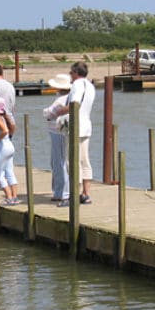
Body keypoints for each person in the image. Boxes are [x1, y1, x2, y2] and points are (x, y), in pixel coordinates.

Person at [55, 61, 96, 206]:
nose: (70, 75)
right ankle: (86, 194)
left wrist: (60, 111)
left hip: (76, 126)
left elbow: (74, 105)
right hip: (86, 126)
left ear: (76, 73)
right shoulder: (90, 86)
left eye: (71, 72)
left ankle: (73, 195)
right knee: (84, 160)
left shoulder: (77, 85)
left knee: (72, 161)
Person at [43, 74, 71, 202]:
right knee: (60, 160)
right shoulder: (68, 97)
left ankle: (62, 192)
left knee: (58, 161)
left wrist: (46, 111)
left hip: (58, 132)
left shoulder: (61, 100)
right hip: (62, 131)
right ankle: (61, 190)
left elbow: (49, 113)